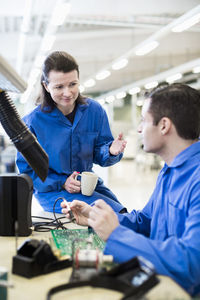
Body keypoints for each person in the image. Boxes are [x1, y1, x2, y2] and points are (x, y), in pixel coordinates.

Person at [61, 83, 200, 297]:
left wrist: (116, 234)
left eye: (144, 120)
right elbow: (146, 222)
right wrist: (95, 218)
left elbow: (192, 263)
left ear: (164, 126)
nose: (139, 129)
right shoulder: (170, 170)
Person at [16, 51, 127, 213]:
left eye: (72, 84)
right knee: (114, 215)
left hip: (86, 184)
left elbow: (100, 155)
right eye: (59, 87)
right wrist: (61, 182)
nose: (67, 93)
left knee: (124, 214)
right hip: (54, 192)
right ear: (46, 86)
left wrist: (110, 151)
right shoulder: (32, 122)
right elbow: (27, 172)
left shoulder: (94, 111)